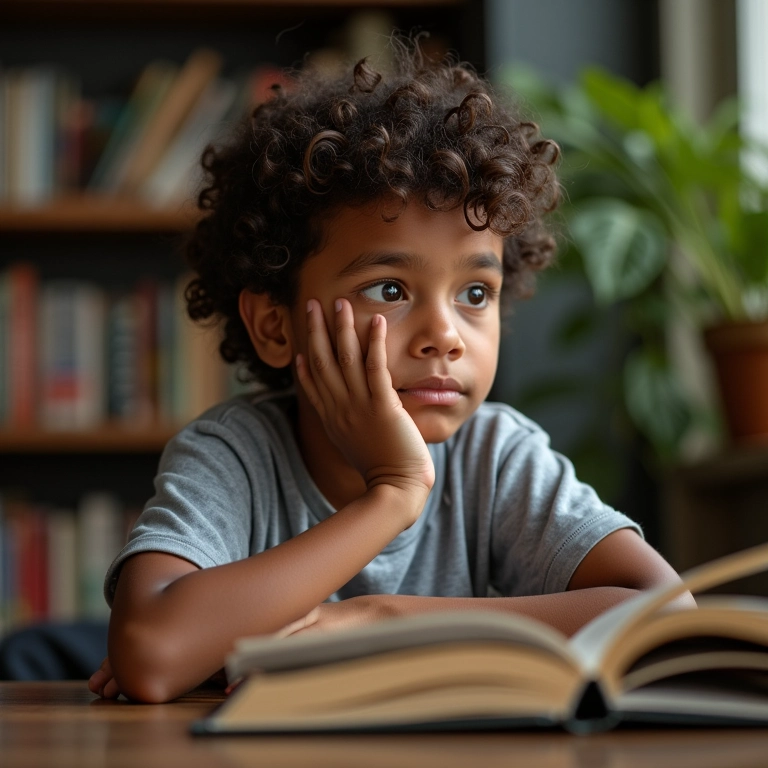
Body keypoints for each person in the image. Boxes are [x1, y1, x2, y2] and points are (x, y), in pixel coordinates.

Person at [89, 42, 693, 704]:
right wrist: (395, 493)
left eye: (474, 295)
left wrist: (383, 622)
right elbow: (151, 654)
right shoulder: (235, 456)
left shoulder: (495, 457)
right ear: (275, 325)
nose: (444, 337)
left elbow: (668, 618)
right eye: (389, 289)